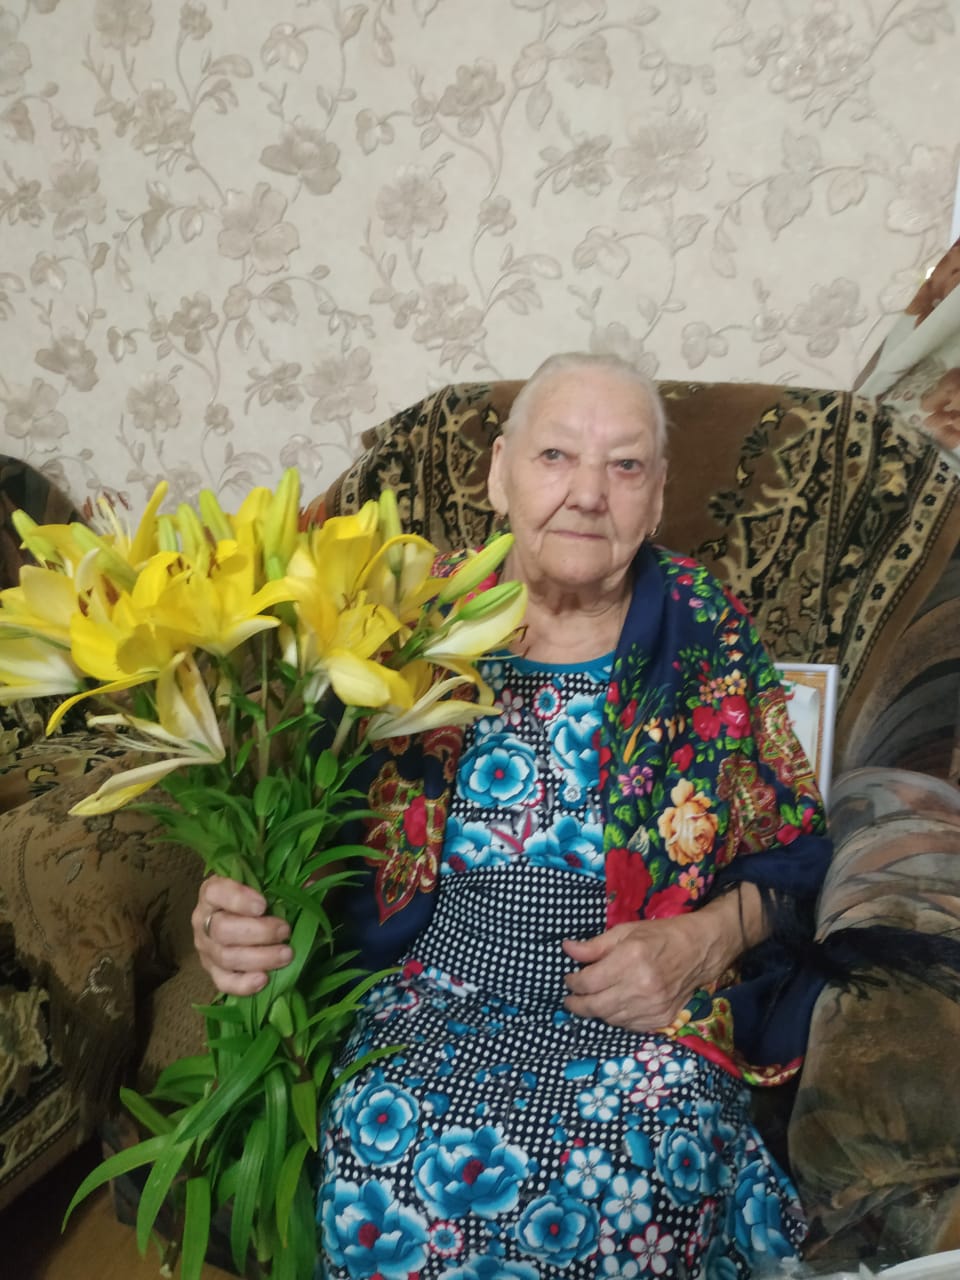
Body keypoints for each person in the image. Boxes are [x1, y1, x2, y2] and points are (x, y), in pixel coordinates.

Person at [194, 352, 832, 1278]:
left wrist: (699, 941)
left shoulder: (704, 629)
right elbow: (295, 818)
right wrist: (233, 907)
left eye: (624, 465)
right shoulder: (406, 623)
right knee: (390, 1162)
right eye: (555, 456)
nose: (588, 494)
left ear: (657, 497)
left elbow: (794, 854)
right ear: (499, 473)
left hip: (642, 1009)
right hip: (429, 994)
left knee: (633, 1168)